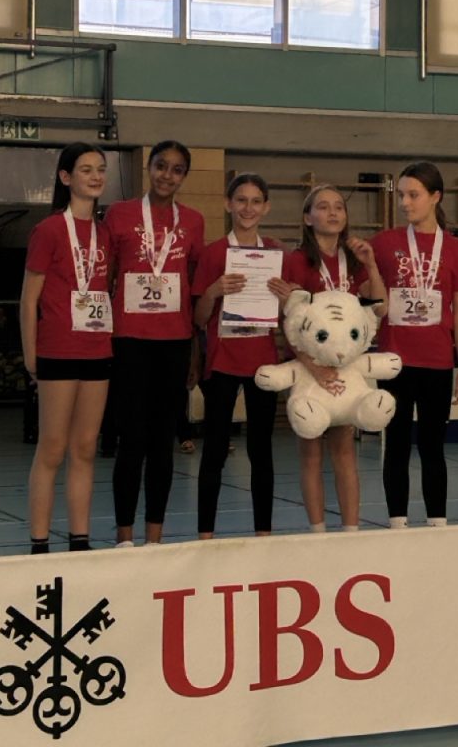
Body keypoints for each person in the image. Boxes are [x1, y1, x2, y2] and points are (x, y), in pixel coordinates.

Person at [106, 140, 204, 546]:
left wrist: (195, 351)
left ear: (184, 176)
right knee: (131, 440)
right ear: (149, 167)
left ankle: (154, 538)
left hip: (174, 343)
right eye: (161, 166)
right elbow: (105, 277)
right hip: (129, 341)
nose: (168, 175)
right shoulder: (119, 214)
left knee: (163, 443)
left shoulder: (193, 221)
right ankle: (124, 537)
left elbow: (195, 289)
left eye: (177, 169)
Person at [274, 184, 387, 533]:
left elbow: (380, 308)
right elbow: (290, 324)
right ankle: (318, 531)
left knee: (344, 450)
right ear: (308, 218)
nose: (333, 212)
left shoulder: (353, 260)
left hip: (345, 366)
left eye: (339, 206)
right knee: (310, 452)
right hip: (309, 368)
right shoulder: (296, 260)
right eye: (323, 207)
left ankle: (351, 531)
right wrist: (314, 368)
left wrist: (371, 265)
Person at [20, 143, 112, 554]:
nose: (95, 176)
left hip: (97, 349)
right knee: (52, 447)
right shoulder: (49, 230)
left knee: (86, 448)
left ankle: (79, 540)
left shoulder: (105, 233)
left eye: (100, 169)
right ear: (65, 177)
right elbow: (28, 299)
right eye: (86, 169)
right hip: (57, 350)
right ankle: (39, 542)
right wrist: (30, 355)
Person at [371, 161, 458, 528]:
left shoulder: (457, 249)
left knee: (433, 447)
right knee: (396, 444)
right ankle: (397, 524)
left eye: (413, 195)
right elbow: (368, 294)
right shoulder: (384, 243)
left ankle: (437, 524)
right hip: (394, 362)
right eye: (401, 195)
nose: (405, 203)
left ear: (435, 197)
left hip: (437, 362)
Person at [193, 173, 284, 539]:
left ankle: (264, 532)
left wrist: (287, 295)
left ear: (266, 207)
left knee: (262, 451)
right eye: (241, 200)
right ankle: (205, 534)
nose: (248, 208)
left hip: (263, 362)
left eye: (255, 201)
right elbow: (199, 318)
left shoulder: (276, 254)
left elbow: (291, 312)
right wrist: (213, 292)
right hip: (223, 361)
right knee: (215, 450)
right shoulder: (213, 253)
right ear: (228, 204)